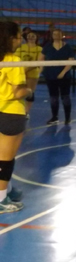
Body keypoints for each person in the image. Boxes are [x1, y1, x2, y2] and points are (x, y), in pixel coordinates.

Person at [0, 21, 32, 213]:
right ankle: (1, 199)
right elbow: (16, 92)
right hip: (11, 113)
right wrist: (29, 90)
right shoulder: (13, 60)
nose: (21, 40)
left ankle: (8, 190)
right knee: (6, 160)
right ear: (10, 39)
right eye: (19, 37)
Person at [39, 28, 74, 125]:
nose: (56, 36)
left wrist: (63, 73)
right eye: (54, 34)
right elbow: (40, 58)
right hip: (50, 75)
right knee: (53, 97)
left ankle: (67, 118)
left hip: (64, 77)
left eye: (58, 34)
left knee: (65, 97)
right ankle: (54, 117)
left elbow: (71, 61)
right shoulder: (48, 46)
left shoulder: (67, 47)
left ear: (62, 35)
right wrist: (41, 69)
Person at [14, 30, 42, 116]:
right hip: (21, 72)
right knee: (19, 92)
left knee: (30, 92)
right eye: (29, 36)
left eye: (33, 36)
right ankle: (19, 110)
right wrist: (21, 69)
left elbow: (38, 62)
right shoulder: (21, 48)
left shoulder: (39, 49)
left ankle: (26, 112)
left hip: (33, 73)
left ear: (36, 38)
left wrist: (27, 69)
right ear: (26, 37)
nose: (31, 37)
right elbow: (15, 59)